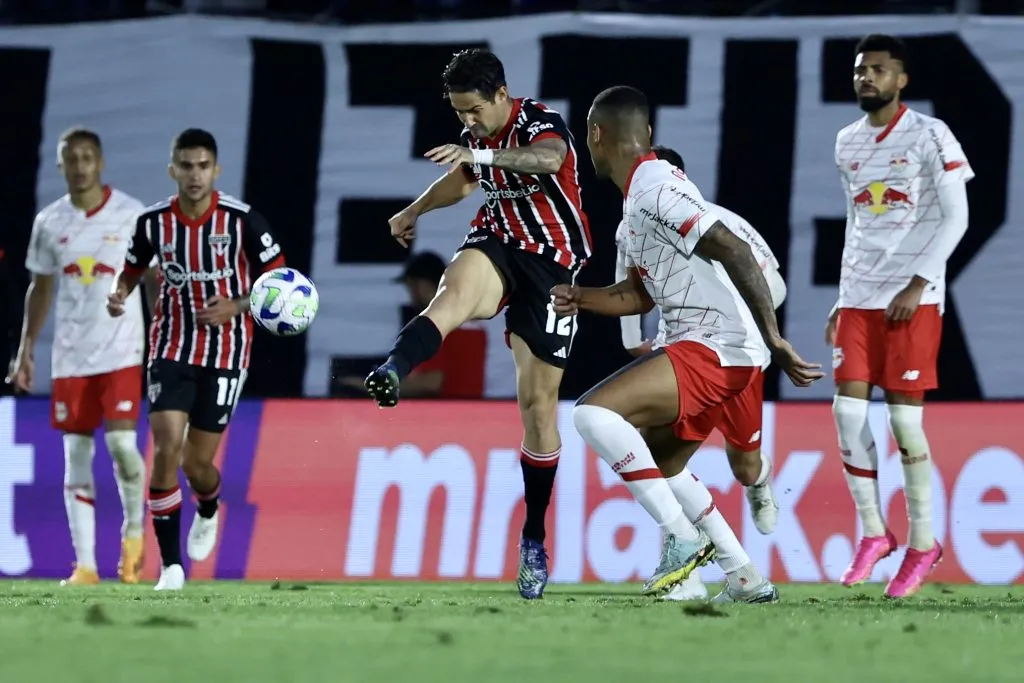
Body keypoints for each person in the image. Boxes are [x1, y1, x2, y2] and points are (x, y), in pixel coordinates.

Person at [553, 85, 823, 599]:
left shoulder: (655, 191)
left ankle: (680, 537)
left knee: (592, 415)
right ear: (648, 132)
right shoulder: (641, 199)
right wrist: (580, 297)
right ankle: (744, 577)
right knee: (664, 465)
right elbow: (637, 295)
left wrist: (776, 339)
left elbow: (734, 249)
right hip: (712, 348)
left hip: (717, 347)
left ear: (596, 135)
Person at [363, 48, 592, 599]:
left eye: (474, 110)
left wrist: (480, 153)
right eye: (459, 112)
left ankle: (533, 536)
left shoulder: (538, 120)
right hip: (498, 240)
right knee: (452, 296)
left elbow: (546, 159)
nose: (468, 120)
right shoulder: (478, 136)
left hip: (552, 264)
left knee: (538, 409)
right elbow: (465, 180)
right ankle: (393, 368)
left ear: (500, 94)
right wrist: (414, 210)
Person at [107, 128, 285, 591]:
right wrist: (118, 293)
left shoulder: (242, 221)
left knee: (196, 464)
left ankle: (208, 506)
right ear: (172, 170)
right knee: (166, 445)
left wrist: (237, 305)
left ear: (216, 170)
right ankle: (171, 567)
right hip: (170, 346)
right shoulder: (152, 223)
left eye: (203, 166)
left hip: (227, 351)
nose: (194, 174)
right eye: (186, 166)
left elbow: (281, 280)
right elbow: (130, 270)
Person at [827, 35, 972, 599]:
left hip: (913, 299)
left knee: (905, 425)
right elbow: (855, 222)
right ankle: (873, 533)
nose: (867, 77)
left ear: (901, 79)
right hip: (859, 297)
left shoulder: (931, 135)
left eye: (879, 70)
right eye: (860, 70)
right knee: (845, 413)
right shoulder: (846, 141)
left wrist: (919, 282)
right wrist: (841, 297)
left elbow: (957, 218)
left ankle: (923, 543)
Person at [615, 145, 785, 602]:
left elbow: (774, 284)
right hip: (686, 353)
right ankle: (689, 576)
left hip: (737, 356)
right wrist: (634, 341)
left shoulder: (721, 220)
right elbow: (629, 286)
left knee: (744, 466)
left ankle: (759, 483)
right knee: (660, 458)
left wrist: (744, 323)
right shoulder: (633, 221)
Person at [6, 127, 154, 587]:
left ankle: (134, 536)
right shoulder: (49, 222)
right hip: (71, 355)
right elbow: (41, 288)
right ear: (61, 166)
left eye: (88, 157)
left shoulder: (131, 214)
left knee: (122, 446)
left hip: (122, 347)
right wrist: (26, 349)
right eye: (71, 159)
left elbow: (153, 279)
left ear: (101, 163)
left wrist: (165, 331)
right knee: (76, 455)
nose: (80, 166)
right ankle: (85, 566)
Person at [336, 251, 488, 399]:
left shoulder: (437, 323)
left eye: (411, 288)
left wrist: (374, 387)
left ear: (423, 286)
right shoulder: (473, 325)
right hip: (472, 411)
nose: (411, 297)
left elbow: (430, 383)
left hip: (443, 412)